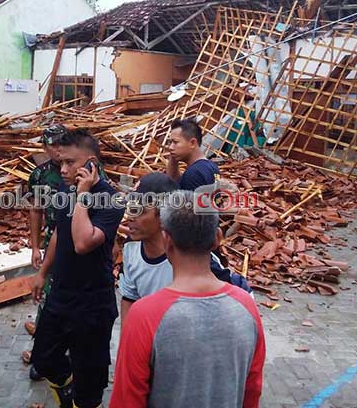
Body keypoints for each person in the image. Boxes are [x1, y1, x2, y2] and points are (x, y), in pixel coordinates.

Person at [110, 190, 265, 408]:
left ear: (166, 240)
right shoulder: (246, 306)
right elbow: (252, 389)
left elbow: (127, 400)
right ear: (217, 239)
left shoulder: (145, 316)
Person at [31, 129, 125, 408]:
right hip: (61, 293)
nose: (63, 169)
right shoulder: (64, 190)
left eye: (70, 163)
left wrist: (83, 195)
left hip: (93, 302)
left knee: (90, 385)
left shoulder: (110, 199)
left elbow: (83, 242)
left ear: (91, 163)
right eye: (61, 162)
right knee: (43, 359)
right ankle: (66, 394)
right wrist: (42, 273)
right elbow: (60, 234)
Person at [119, 173, 252, 325]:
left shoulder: (194, 257)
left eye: (139, 210)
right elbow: (130, 297)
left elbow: (240, 296)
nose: (129, 216)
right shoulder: (131, 247)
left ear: (164, 216)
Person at [25, 124, 68, 380]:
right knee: (47, 297)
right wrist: (34, 246)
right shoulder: (40, 175)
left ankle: (72, 352)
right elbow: (35, 210)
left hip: (78, 238)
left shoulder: (82, 168)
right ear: (44, 147)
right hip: (53, 236)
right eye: (53, 144)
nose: (59, 149)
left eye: (63, 142)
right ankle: (42, 355)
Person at [166, 118, 220, 191]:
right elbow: (174, 182)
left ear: (192, 143)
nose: (170, 147)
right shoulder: (212, 167)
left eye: (175, 142)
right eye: (170, 143)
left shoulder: (193, 174)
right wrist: (173, 156)